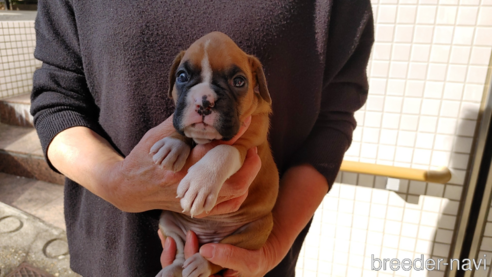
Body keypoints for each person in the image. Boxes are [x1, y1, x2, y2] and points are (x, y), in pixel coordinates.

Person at [31, 0, 374, 276]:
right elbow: (56, 99)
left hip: (248, 253)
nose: (206, 98)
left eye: (236, 82)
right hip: (112, 254)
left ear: (258, 87)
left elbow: (333, 120)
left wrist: (272, 246)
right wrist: (114, 182)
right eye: (185, 78)